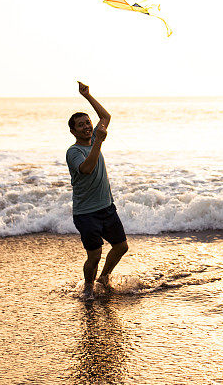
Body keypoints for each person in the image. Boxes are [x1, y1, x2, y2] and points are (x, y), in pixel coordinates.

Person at [66, 81, 128, 300]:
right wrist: (99, 142)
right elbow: (87, 168)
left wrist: (88, 96)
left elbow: (106, 117)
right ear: (73, 131)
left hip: (106, 207)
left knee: (121, 246)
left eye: (88, 122)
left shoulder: (94, 138)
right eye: (80, 125)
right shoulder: (73, 152)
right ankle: (88, 288)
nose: (86, 126)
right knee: (94, 254)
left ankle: (104, 278)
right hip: (86, 213)